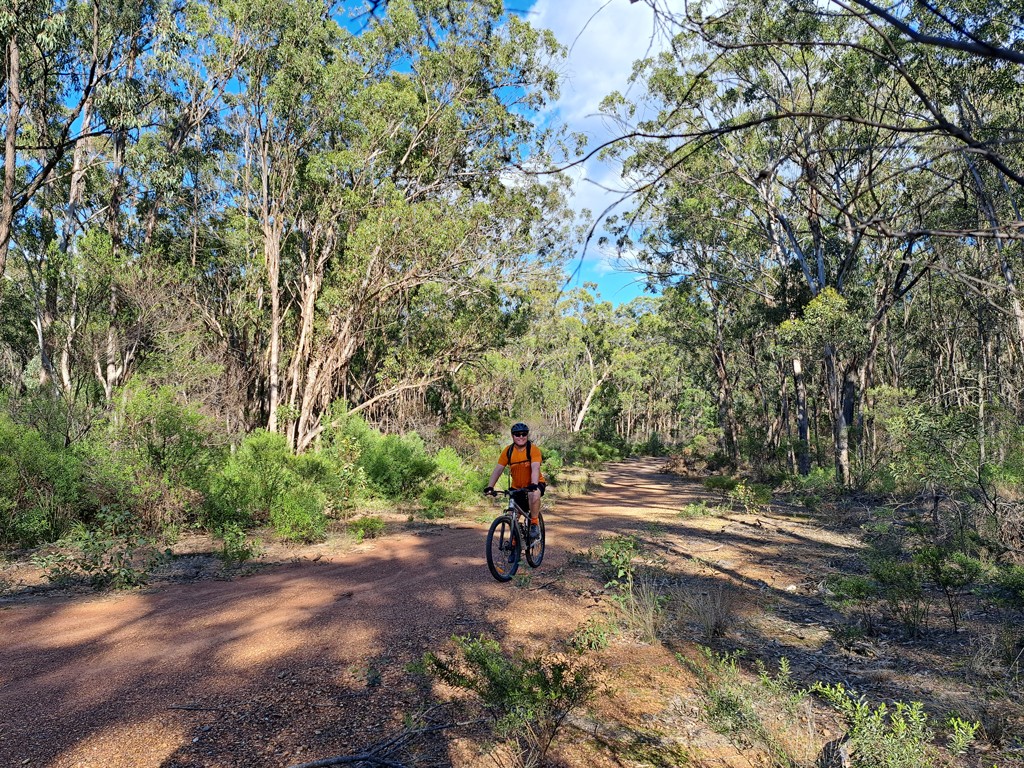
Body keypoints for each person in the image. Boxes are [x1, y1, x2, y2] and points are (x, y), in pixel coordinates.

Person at [484, 422, 546, 538]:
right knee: (512, 516)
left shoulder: (533, 449)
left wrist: (533, 484)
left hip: (535, 484)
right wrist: (490, 486)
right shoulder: (508, 451)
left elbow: (535, 467)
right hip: (517, 487)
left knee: (534, 494)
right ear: (513, 436)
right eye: (517, 434)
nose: (521, 437)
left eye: (524, 434)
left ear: (527, 435)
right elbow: (498, 469)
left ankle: (534, 523)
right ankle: (515, 542)